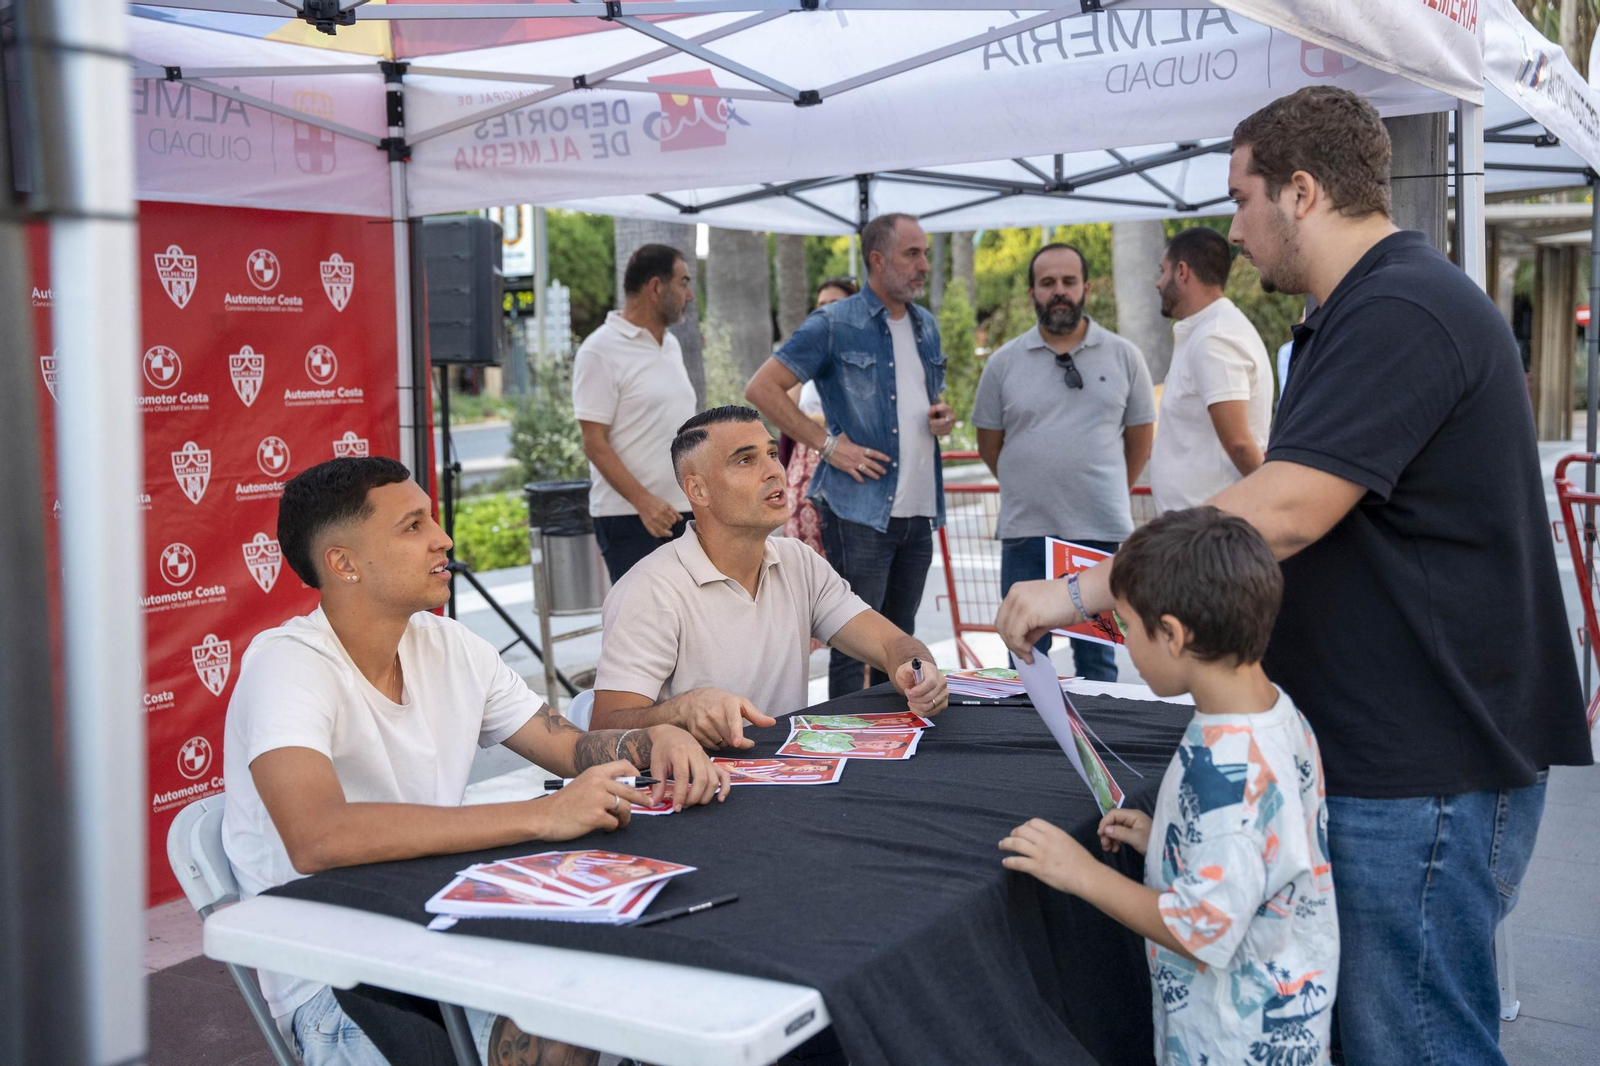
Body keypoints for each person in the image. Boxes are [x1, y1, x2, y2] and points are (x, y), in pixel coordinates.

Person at [996, 86, 1592, 1066]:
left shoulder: (1401, 308)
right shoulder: (1357, 312)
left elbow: (1283, 510)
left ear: (1301, 192)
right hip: (1398, 756)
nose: (1232, 229)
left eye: (1241, 198)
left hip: (1429, 768)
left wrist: (1084, 591)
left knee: (1415, 1044)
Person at [222, 456, 727, 1066]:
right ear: (343, 563)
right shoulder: (287, 664)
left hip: (435, 929)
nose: (443, 539)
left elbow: (568, 747)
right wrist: (543, 816)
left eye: (431, 519)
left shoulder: (449, 643)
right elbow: (316, 837)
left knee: (649, 968)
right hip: (335, 978)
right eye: (413, 526)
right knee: (581, 1020)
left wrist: (653, 740)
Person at [1000, 507, 1337, 1066]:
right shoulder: (1274, 714)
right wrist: (1167, 838)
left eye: (1128, 627)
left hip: (1234, 1042)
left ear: (1174, 635)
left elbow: (1200, 930)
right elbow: (1260, 849)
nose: (1126, 642)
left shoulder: (1225, 770)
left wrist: (1080, 873)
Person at [591, 406, 948, 745]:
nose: (774, 470)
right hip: (696, 783)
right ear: (698, 490)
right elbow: (603, 731)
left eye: (773, 454)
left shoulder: (798, 560)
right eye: (746, 460)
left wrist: (917, 668)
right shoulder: (649, 588)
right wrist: (682, 711)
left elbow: (890, 644)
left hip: (792, 774)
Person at [747, 214, 954, 699]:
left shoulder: (925, 325)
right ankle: (848, 739)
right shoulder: (835, 323)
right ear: (877, 260)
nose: (924, 265)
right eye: (912, 254)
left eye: (925, 253)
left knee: (900, 642)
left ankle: (896, 736)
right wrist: (828, 445)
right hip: (859, 512)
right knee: (852, 644)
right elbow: (762, 388)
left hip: (919, 510)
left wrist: (941, 415)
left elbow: (920, 400)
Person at [972, 242, 1155, 681]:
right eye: (1048, 282)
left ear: (1086, 288)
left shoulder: (1124, 356)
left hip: (1098, 533)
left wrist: (1105, 490)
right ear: (1032, 292)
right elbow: (990, 443)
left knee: (1097, 660)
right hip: (1026, 532)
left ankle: (1095, 729)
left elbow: (1140, 440)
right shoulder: (1002, 363)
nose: (1059, 291)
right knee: (1026, 654)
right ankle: (1035, 730)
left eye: (1069, 282)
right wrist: (1029, 482)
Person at [572, 242, 699, 583]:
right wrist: (644, 502)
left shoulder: (670, 344)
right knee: (644, 616)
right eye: (683, 283)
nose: (689, 295)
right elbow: (593, 442)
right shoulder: (599, 350)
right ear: (656, 287)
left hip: (684, 512)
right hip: (631, 517)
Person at [1149, 227, 1273, 512]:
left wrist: (1271, 502)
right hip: (1200, 524)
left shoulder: (1214, 338)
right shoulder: (1209, 331)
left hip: (1208, 527)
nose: (1158, 283)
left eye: (1163, 271)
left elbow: (1240, 443)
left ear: (1182, 271)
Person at [783, 276, 860, 557]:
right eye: (821, 304)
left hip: (848, 459)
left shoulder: (863, 356)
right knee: (803, 552)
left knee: (847, 558)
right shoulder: (809, 351)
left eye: (834, 303)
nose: (826, 310)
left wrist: (815, 419)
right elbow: (786, 405)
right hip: (806, 464)